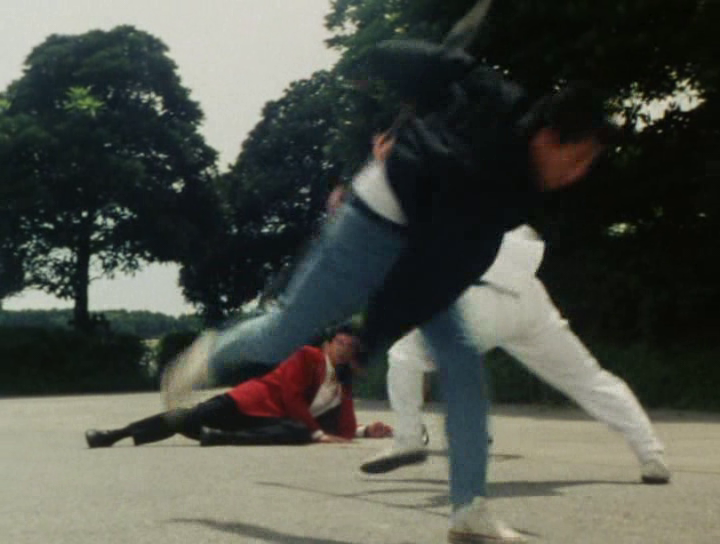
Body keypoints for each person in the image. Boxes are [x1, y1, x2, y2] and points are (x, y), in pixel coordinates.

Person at [162, 2, 615, 540]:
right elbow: (446, 65)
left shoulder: (513, 195)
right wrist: (379, 60)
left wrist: (370, 332)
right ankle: (211, 353)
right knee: (285, 330)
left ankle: (469, 508)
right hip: (370, 223)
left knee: (462, 364)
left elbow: (434, 274)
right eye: (579, 158)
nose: (579, 173)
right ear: (549, 136)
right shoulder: (495, 108)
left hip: (426, 250)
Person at [359, 225, 671, 486]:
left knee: (404, 356)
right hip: (529, 297)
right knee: (588, 378)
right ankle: (651, 455)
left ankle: (409, 439)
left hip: (479, 300)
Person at [85, 326, 392, 449]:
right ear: (328, 344)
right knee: (187, 418)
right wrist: (317, 433)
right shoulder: (307, 356)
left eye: (351, 347)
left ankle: (221, 438)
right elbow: (290, 396)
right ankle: (114, 435)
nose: (344, 350)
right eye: (340, 342)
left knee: (297, 430)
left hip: (268, 423)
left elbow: (342, 424)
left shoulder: (341, 386)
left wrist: (366, 431)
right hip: (247, 402)